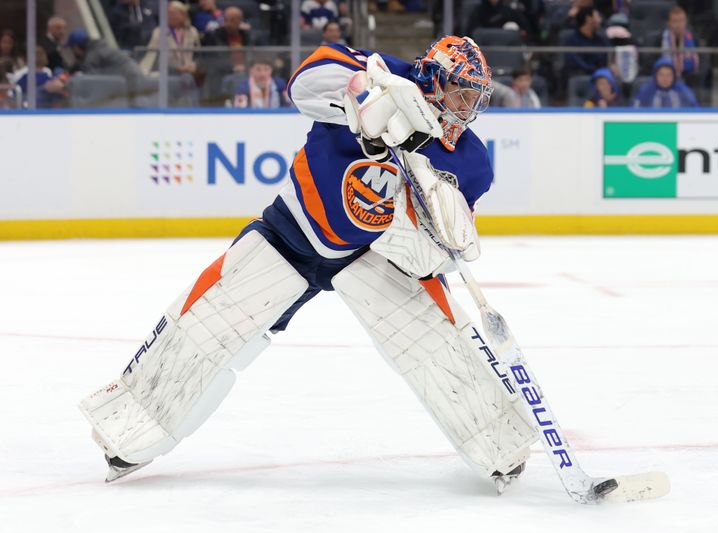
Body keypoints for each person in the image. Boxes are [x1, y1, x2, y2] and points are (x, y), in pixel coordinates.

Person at [79, 36, 539, 493]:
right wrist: (364, 99)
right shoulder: (379, 68)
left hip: (373, 257)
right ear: (435, 77)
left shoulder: (472, 161)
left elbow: (436, 255)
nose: (467, 106)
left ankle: (501, 447)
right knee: (205, 327)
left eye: (476, 97)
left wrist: (434, 226)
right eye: (462, 91)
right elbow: (304, 83)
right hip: (293, 234)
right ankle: (129, 434)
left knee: (438, 343)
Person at [139, 1, 201, 76]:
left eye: (174, 13)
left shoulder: (192, 31)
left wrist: (194, 65)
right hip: (166, 73)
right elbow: (153, 56)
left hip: (190, 72)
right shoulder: (159, 32)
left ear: (184, 16)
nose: (171, 16)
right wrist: (176, 69)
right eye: (169, 14)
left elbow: (198, 54)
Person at [633, 57, 698, 108]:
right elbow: (634, 112)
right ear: (655, 76)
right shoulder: (645, 92)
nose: (665, 79)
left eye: (668, 75)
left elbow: (695, 113)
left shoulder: (684, 93)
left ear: (674, 76)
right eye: (661, 75)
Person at [564, 7, 610, 77]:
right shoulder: (572, 40)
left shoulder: (600, 40)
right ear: (588, 19)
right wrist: (596, 71)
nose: (600, 20)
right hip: (581, 75)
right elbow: (576, 63)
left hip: (601, 76)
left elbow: (607, 58)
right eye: (597, 17)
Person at [660, 6, 699, 83]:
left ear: (686, 22)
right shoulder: (661, 38)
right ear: (669, 23)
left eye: (681, 21)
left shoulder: (692, 37)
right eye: (675, 21)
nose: (678, 25)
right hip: (665, 77)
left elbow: (701, 58)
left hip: (689, 76)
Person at [465, 0, 533, 42]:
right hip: (484, 50)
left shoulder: (509, 11)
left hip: (506, 49)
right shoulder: (478, 11)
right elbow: (471, 33)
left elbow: (525, 30)